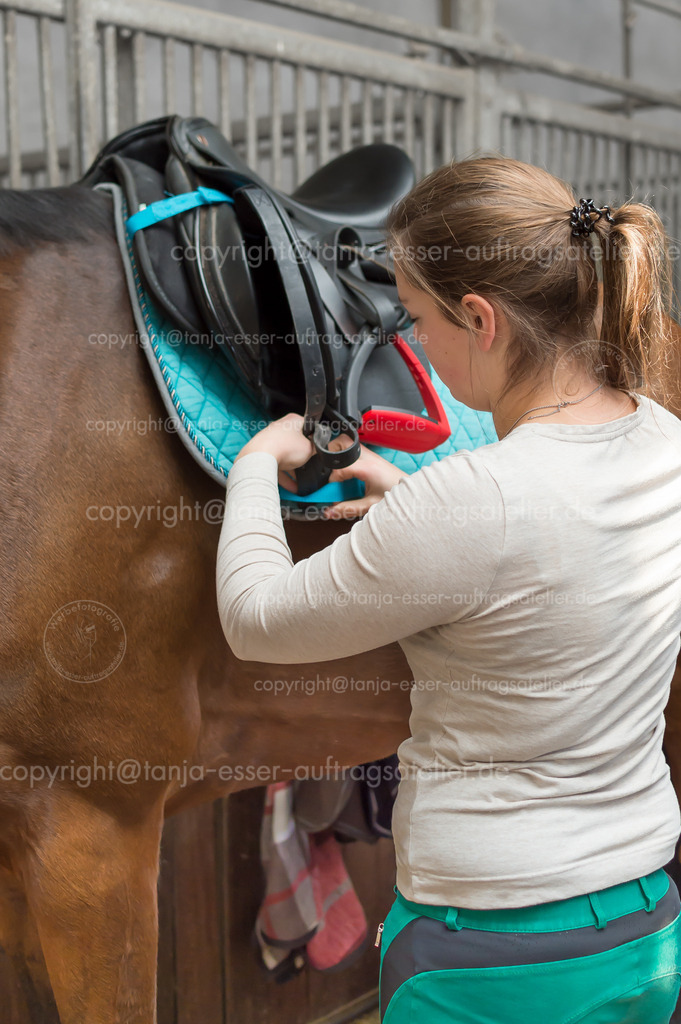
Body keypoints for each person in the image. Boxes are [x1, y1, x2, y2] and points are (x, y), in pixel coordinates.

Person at [216, 155, 681, 1023]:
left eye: (419, 319)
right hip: (643, 928)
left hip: (488, 954)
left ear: (479, 317)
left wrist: (253, 465)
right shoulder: (665, 441)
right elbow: (551, 542)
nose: (416, 341)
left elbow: (256, 619)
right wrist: (418, 504)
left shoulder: (469, 505)